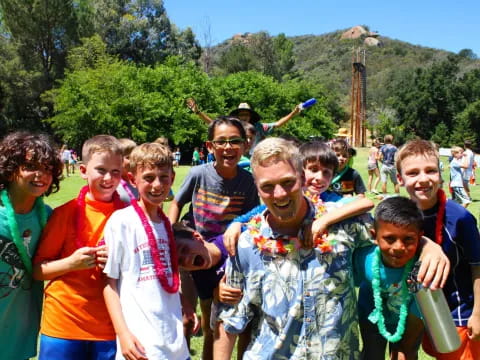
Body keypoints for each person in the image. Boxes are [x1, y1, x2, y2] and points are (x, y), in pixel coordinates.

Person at [215, 137, 448, 359]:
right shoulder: (245, 244)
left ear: (301, 177)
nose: (280, 194)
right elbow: (230, 321)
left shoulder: (345, 224)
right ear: (257, 188)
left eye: (288, 182)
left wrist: (429, 246)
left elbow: (393, 234)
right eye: (268, 186)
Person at [168, 116, 259, 360]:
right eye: (221, 142)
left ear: (245, 146)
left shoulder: (249, 182)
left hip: (227, 256)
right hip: (192, 252)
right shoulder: (199, 173)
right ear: (210, 147)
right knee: (191, 318)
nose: (228, 147)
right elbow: (177, 202)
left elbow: (251, 218)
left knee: (229, 321)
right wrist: (171, 233)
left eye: (234, 141)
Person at [33, 135, 126, 360]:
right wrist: (71, 263)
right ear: (83, 170)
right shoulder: (66, 213)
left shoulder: (128, 216)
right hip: (63, 324)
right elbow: (37, 271)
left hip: (108, 327)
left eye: (115, 172)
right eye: (101, 170)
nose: (108, 178)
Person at [103, 143, 190, 360]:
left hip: (175, 343)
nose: (157, 185)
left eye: (164, 177)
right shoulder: (121, 222)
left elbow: (168, 275)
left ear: (173, 177)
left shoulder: (167, 225)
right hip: (141, 344)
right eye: (149, 178)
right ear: (133, 179)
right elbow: (109, 284)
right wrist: (123, 334)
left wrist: (185, 304)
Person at [396, 139, 480, 359]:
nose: (423, 179)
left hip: (457, 314)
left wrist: (478, 314)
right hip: (414, 309)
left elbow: (477, 266)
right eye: (413, 173)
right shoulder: (398, 217)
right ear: (399, 178)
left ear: (440, 175)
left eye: (430, 171)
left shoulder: (460, 218)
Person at [0, 131, 63, 360]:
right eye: (30, 166)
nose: (40, 175)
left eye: (47, 168)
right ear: (10, 168)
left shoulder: (47, 217)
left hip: (20, 329)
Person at [354, 197, 425, 360]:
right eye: (390, 239)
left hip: (411, 319)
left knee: (405, 355)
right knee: (372, 354)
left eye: (408, 239)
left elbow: (422, 309)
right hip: (371, 316)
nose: (398, 247)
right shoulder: (363, 258)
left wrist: (406, 347)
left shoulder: (422, 267)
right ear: (374, 236)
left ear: (420, 237)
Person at [186, 98, 301, 152]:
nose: (244, 116)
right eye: (241, 114)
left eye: (246, 114)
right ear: (237, 116)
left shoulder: (259, 127)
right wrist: (198, 112)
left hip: (255, 162)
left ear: (251, 116)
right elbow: (212, 123)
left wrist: (293, 113)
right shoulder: (233, 128)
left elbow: (277, 124)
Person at [116, 138, 138, 203]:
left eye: (135, 157)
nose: (134, 161)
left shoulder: (137, 182)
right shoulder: (114, 186)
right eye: (128, 157)